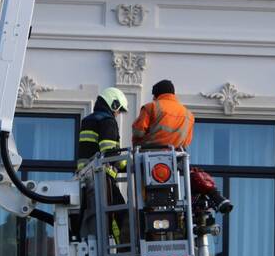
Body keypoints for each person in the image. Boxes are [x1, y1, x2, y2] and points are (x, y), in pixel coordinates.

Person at [132, 79, 233, 214]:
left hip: (148, 159)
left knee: (141, 197)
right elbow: (186, 142)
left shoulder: (151, 107)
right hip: (173, 161)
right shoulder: (188, 115)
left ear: (156, 94)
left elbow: (138, 131)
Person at [76, 87, 129, 242]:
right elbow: (109, 150)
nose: (118, 114)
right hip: (103, 177)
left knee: (98, 219)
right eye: (119, 110)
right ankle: (122, 251)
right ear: (114, 104)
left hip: (87, 178)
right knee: (120, 215)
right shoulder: (107, 121)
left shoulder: (88, 121)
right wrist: (126, 164)